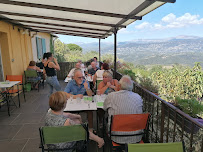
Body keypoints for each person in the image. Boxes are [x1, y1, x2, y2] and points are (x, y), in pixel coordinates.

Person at [103, 75, 143, 144]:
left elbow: (104, 108)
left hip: (116, 136)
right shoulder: (138, 97)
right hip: (136, 136)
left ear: (119, 85)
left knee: (106, 119)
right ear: (131, 87)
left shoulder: (111, 96)